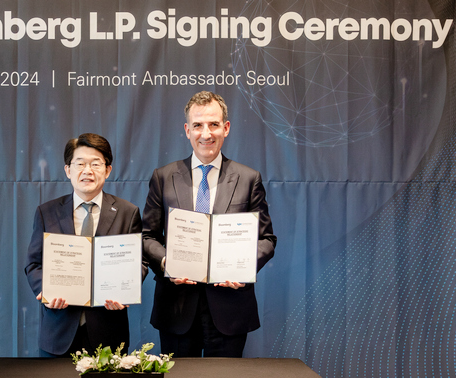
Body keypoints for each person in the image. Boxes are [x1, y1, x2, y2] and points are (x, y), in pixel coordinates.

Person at [142, 91, 276, 357]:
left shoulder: (248, 179)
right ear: (187, 130)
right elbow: (147, 236)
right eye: (198, 125)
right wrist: (167, 262)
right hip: (177, 307)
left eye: (214, 124)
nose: (206, 134)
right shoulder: (163, 177)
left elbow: (266, 240)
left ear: (226, 128)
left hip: (230, 307)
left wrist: (243, 268)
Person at [25, 133, 145, 357]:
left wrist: (126, 290)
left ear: (107, 170)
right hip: (58, 331)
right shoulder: (47, 212)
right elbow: (33, 264)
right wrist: (46, 290)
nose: (87, 171)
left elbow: (139, 263)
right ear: (68, 170)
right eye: (79, 164)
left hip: (109, 332)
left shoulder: (127, 213)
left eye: (96, 164)